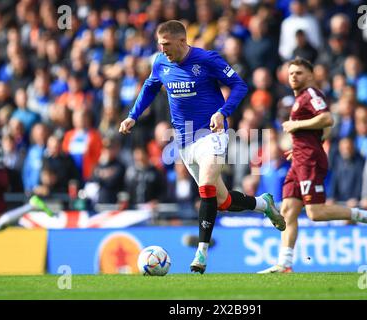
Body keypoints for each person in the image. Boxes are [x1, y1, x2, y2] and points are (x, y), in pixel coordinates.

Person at [119, 20, 285, 274]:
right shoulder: (160, 63)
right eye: (160, 45)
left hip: (212, 133)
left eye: (167, 44)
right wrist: (133, 115)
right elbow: (150, 87)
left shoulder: (207, 59)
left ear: (182, 41)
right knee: (223, 200)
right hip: (184, 140)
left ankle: (201, 252)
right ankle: (264, 204)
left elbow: (240, 85)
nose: (163, 50)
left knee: (206, 186)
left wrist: (222, 111)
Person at [258, 58, 367, 274]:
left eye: (299, 73)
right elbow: (323, 131)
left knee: (315, 213)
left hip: (309, 160)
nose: (294, 76)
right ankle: (285, 263)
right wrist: (302, 143)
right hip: (300, 158)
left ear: (310, 76)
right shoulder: (299, 99)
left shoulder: (311, 94)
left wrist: (298, 127)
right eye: (291, 73)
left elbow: (328, 119)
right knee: (288, 210)